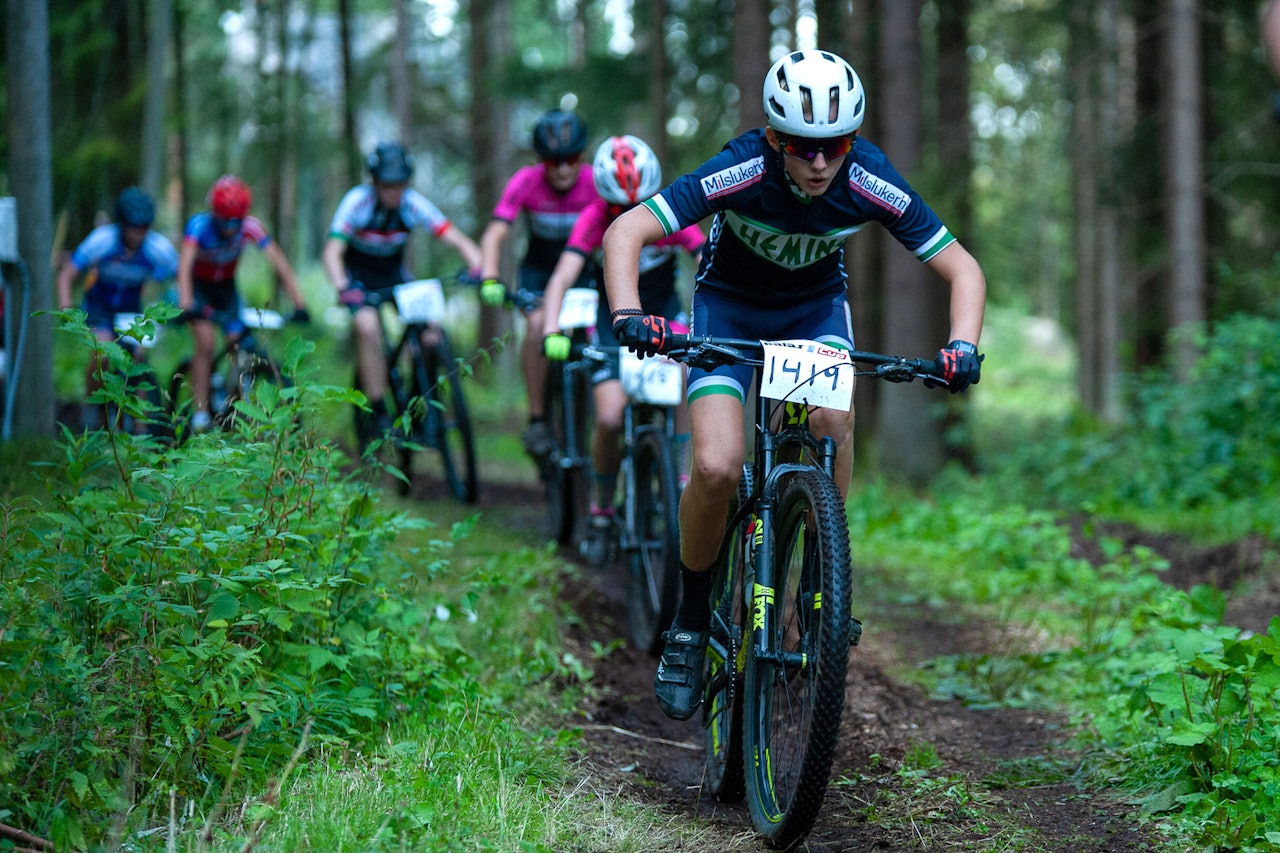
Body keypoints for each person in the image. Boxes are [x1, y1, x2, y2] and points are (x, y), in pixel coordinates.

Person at [602, 49, 987, 721]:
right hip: (728, 310)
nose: (818, 163)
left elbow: (964, 269)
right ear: (774, 138)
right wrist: (630, 314)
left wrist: (961, 344)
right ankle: (690, 622)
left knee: (832, 421)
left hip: (812, 316)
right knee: (717, 466)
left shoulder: (867, 177)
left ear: (852, 141)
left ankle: (818, 585)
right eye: (802, 146)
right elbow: (627, 228)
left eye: (834, 146)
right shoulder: (743, 166)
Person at [540, 135, 704, 562]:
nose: (630, 216)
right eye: (617, 208)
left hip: (664, 315)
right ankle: (601, 510)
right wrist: (552, 329)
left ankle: (680, 479)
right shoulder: (593, 219)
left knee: (685, 377)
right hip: (611, 322)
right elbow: (561, 278)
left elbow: (706, 258)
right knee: (610, 417)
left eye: (640, 205)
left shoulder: (670, 211)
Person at [322, 140, 483, 438]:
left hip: (395, 276)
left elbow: (456, 238)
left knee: (431, 332)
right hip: (359, 280)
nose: (394, 191)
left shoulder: (412, 203)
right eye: (387, 185)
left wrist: (477, 266)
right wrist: (343, 286)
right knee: (368, 328)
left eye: (400, 184)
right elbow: (332, 252)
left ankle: (419, 400)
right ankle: (379, 411)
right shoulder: (357, 202)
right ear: (374, 182)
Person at [476, 109, 599, 458]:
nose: (563, 169)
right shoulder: (526, 181)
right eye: (552, 161)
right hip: (538, 274)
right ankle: (537, 418)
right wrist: (489, 276)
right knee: (535, 327)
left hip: (584, 274)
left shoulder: (595, 182)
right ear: (539, 160)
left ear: (582, 156)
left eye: (571, 159)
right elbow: (495, 233)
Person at [176, 174, 309, 432]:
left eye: (236, 220)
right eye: (225, 220)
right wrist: (186, 301)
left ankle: (232, 404)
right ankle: (200, 415)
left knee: (238, 343)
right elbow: (184, 266)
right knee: (205, 343)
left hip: (227, 288)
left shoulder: (251, 227)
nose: (230, 227)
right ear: (214, 213)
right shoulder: (199, 225)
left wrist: (299, 303)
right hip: (199, 288)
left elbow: (279, 262)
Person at [56, 186, 179, 430]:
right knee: (101, 352)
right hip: (98, 307)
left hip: (131, 310)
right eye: (133, 227)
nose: (138, 234)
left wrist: (176, 304)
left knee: (138, 360)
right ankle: (94, 412)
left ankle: (141, 428)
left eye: (143, 227)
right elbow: (67, 274)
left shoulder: (158, 248)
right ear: (122, 224)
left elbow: (180, 276)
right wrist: (66, 306)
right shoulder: (102, 240)